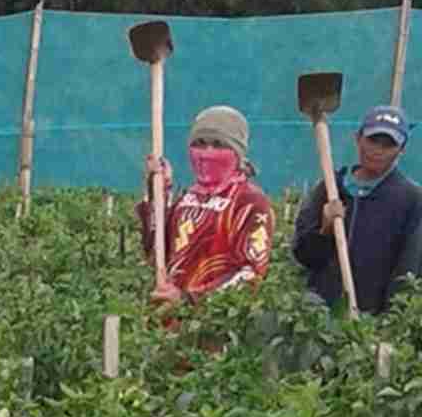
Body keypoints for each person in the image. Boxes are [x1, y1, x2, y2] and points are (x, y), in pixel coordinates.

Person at [135, 106, 275, 310]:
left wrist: (189, 300)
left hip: (218, 325)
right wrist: (158, 193)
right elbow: (155, 252)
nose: (207, 153)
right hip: (170, 321)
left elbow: (251, 274)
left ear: (237, 152)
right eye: (199, 144)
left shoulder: (250, 202)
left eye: (218, 145)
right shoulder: (188, 198)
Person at [293, 105, 422, 315]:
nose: (377, 149)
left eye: (388, 144)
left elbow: (409, 269)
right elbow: (303, 256)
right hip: (318, 319)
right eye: (372, 139)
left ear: (401, 150)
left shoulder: (411, 199)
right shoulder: (331, 187)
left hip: (371, 325)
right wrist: (324, 231)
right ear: (358, 138)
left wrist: (388, 325)